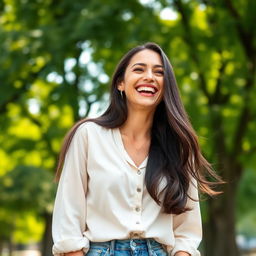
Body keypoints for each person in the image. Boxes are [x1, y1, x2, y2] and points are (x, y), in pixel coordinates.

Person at [52, 42, 221, 256]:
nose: (149, 76)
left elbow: (187, 231)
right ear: (120, 83)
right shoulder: (88, 135)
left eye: (159, 72)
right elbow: (68, 218)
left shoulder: (179, 145)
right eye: (139, 69)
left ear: (166, 86)